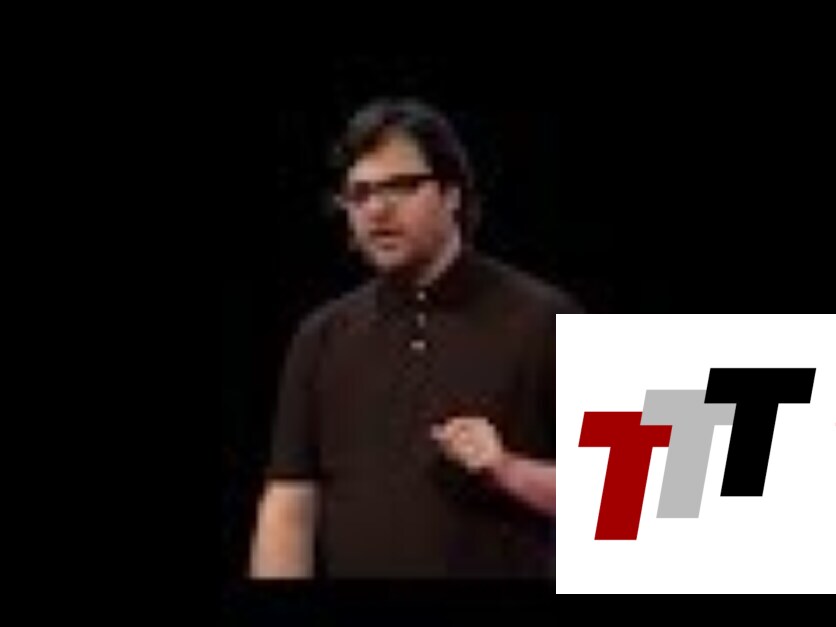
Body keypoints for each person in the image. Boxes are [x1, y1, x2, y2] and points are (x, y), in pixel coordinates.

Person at [248, 97, 583, 579]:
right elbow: (290, 506)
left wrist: (508, 469)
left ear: (452, 194)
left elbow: (636, 500)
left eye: (401, 186)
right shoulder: (321, 336)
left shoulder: (546, 318)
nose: (377, 208)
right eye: (359, 193)